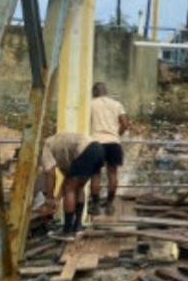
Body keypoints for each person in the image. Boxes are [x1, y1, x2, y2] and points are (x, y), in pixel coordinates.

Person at [40, 132, 106, 240]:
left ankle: (67, 231)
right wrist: (57, 199)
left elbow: (51, 175)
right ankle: (77, 227)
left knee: (70, 189)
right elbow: (66, 180)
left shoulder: (46, 146)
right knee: (79, 187)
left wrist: (49, 199)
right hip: (99, 149)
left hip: (86, 150)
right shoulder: (61, 149)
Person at [88, 83, 129, 215]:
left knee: (95, 174)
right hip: (113, 142)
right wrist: (117, 134)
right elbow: (125, 124)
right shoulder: (116, 104)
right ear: (105, 91)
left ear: (94, 92)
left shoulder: (91, 104)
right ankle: (110, 204)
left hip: (96, 142)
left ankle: (95, 205)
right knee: (112, 174)